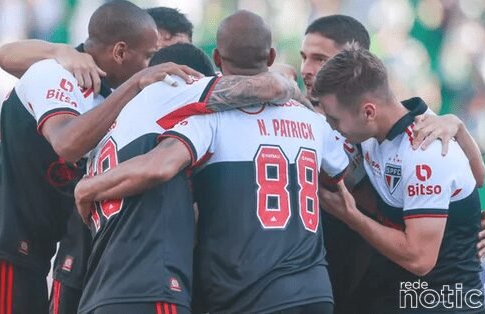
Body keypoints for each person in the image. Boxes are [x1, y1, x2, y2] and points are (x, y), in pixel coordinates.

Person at [75, 10, 348, 314]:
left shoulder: (203, 121)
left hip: (241, 291)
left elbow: (160, 166)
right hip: (314, 290)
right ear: (270, 56)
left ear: (217, 59)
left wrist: (87, 188)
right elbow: (343, 175)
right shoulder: (311, 122)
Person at [0, 1, 205, 312]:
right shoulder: (55, 73)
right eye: (150, 57)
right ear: (120, 52)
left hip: (28, 256)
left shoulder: (106, 96)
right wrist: (132, 84)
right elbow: (67, 143)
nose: (152, 66)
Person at [299, 14, 485, 313]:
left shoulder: (424, 144)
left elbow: (420, 258)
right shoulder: (369, 131)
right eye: (304, 57)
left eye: (320, 59)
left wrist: (350, 214)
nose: (307, 70)